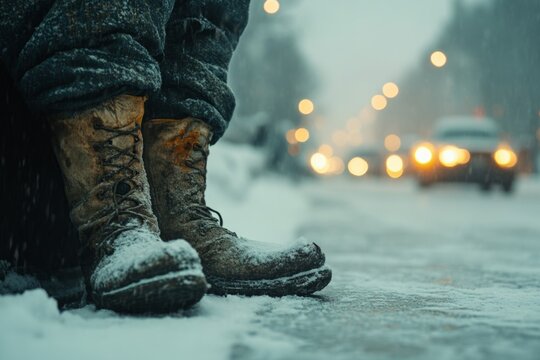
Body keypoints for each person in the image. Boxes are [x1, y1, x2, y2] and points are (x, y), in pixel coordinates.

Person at [0, 0, 331, 313]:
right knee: (99, 24)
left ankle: (175, 221)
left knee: (203, 19)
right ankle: (115, 223)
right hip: (29, 191)